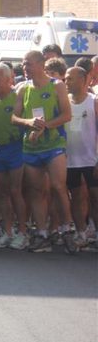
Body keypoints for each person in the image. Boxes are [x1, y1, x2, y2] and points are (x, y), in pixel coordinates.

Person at [12, 51, 77, 253]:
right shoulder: (23, 88)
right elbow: (14, 117)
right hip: (31, 147)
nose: (25, 67)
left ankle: (67, 229)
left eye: (28, 64)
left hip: (54, 145)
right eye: (23, 64)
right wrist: (28, 122)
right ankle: (42, 233)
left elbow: (67, 115)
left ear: (41, 64)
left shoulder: (57, 85)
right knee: (36, 191)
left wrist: (45, 127)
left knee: (58, 186)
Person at [0, 63, 28, 250]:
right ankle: (8, 231)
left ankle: (22, 232)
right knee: (2, 193)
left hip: (15, 149)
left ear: (7, 79)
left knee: (15, 191)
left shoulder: (18, 97)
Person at [64, 66, 98, 245]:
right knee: (76, 197)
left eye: (70, 79)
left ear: (84, 80)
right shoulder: (64, 102)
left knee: (95, 196)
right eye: (66, 78)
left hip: (91, 159)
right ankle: (81, 233)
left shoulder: (94, 102)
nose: (66, 82)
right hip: (70, 160)